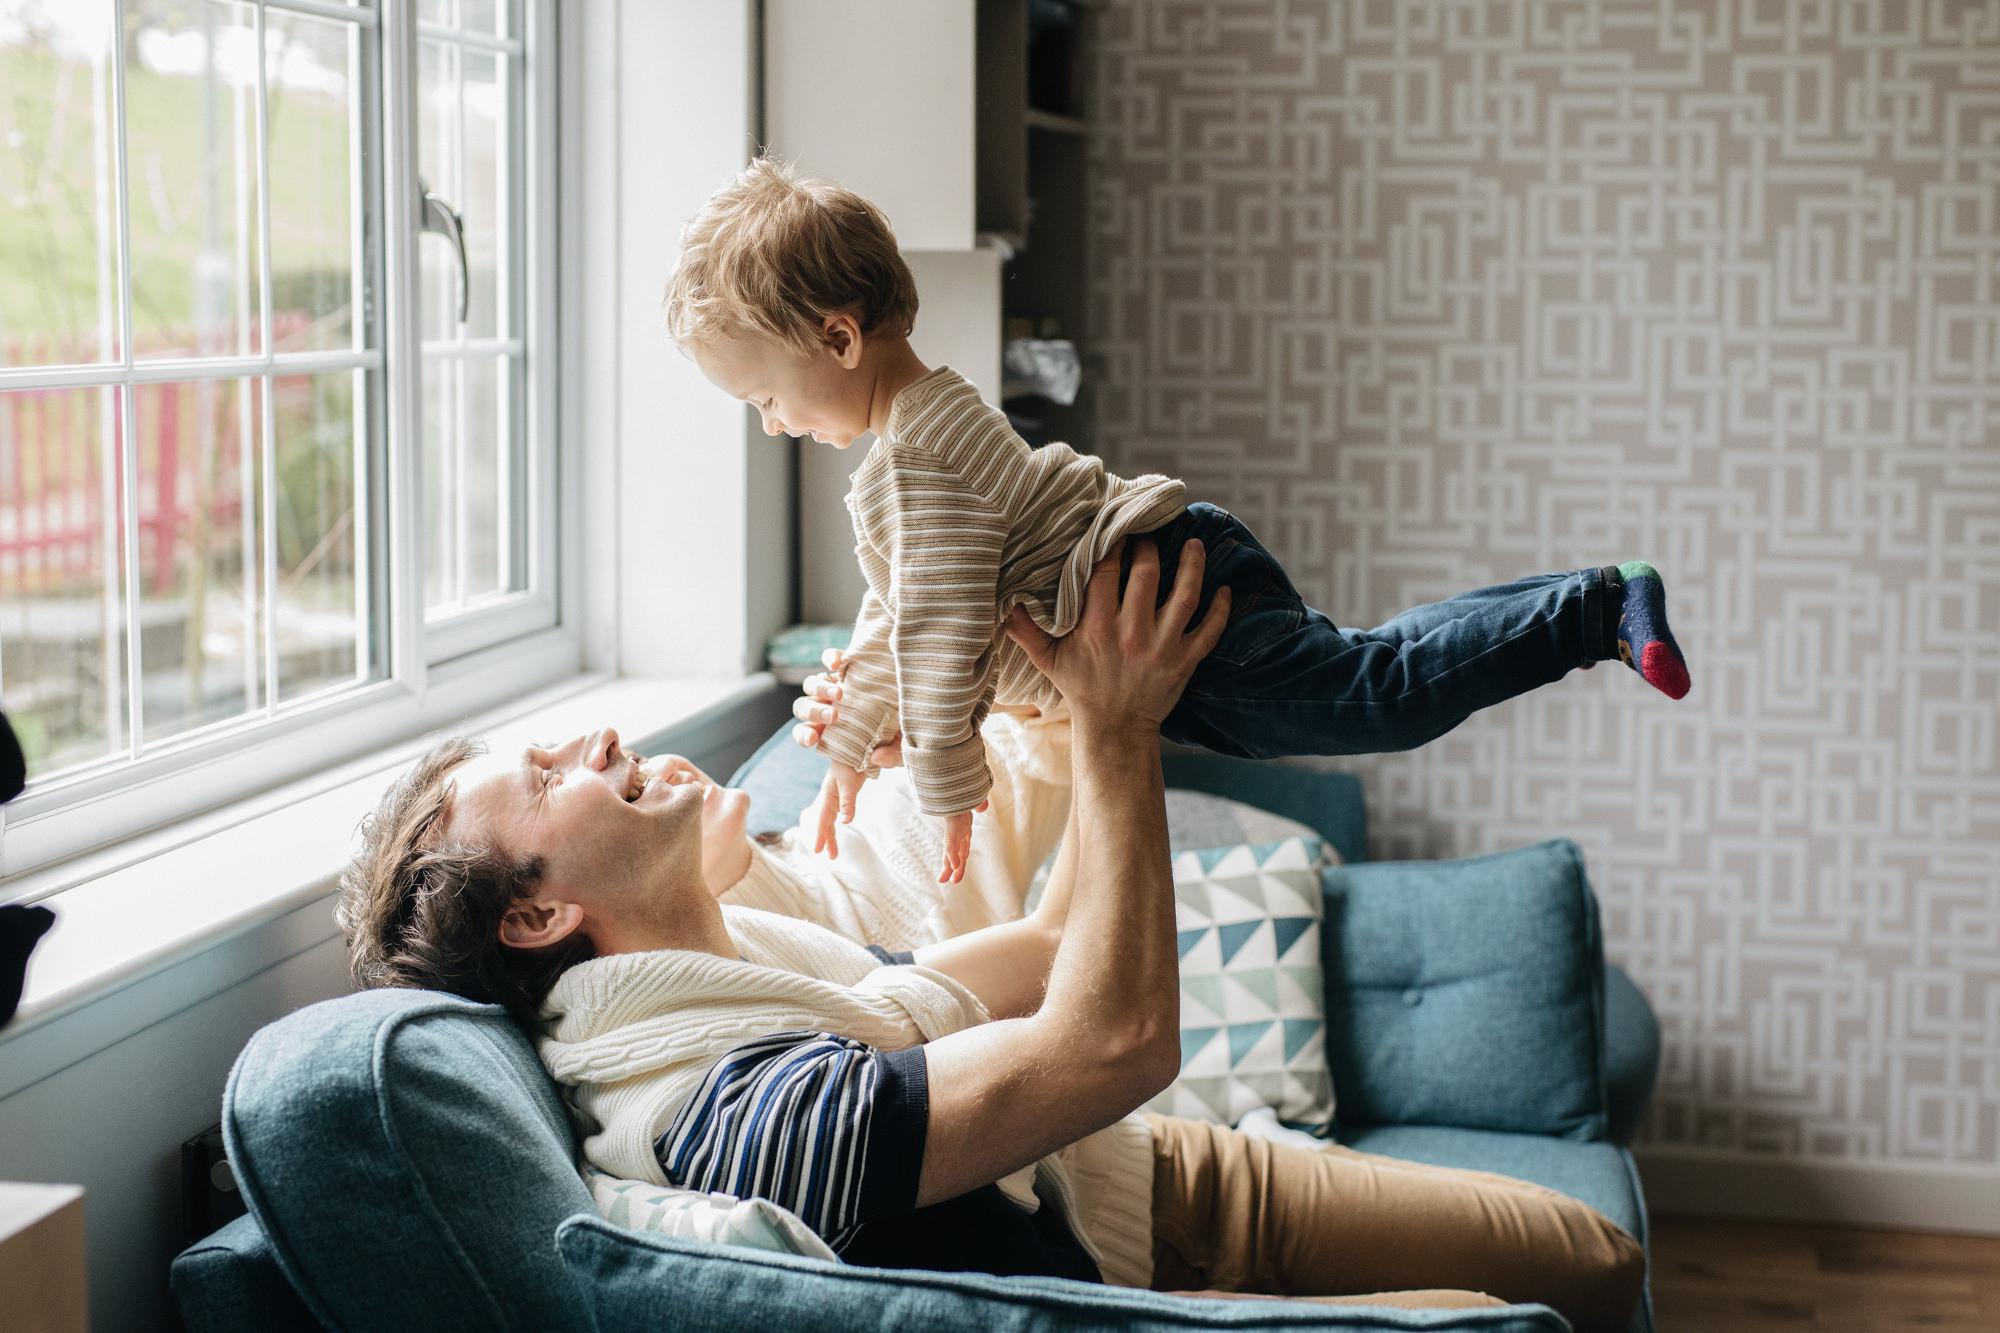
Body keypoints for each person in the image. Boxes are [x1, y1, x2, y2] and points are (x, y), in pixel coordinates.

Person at [338, 539, 1646, 1330]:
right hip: (1131, 1289)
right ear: (534, 910)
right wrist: (1123, 733)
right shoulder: (725, 1113)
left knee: (1596, 1262)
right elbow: (1115, 1038)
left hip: (1149, 1174)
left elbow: (1041, 949)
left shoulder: (735, 965)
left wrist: (1094, 706)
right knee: (1507, 1321)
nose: (599, 737)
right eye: (553, 769)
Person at [663, 156, 1691, 885]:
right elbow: (902, 613)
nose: (772, 426)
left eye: (765, 399)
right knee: (1366, 666)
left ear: (836, 337)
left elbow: (932, 634)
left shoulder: (915, 466)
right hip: (1169, 561)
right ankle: (1591, 597)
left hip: (1160, 605)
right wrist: (847, 740)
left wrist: (946, 784)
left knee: (1375, 700)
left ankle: (1591, 616)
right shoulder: (933, 417)